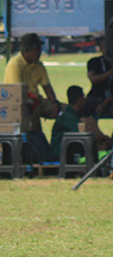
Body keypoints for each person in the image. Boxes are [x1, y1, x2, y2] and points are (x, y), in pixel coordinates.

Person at [4, 32, 60, 162]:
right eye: (36, 50)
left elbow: (47, 87)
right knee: (29, 116)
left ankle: (57, 148)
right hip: (19, 102)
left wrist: (55, 103)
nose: (39, 52)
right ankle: (36, 153)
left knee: (64, 110)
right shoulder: (15, 65)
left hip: (36, 99)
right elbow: (17, 93)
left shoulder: (38, 65)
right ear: (27, 51)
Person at [50, 85, 112, 161]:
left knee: (89, 121)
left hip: (72, 147)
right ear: (80, 100)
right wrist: (103, 139)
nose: (85, 99)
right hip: (63, 151)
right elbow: (85, 133)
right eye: (83, 97)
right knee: (87, 125)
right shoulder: (68, 116)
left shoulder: (76, 113)